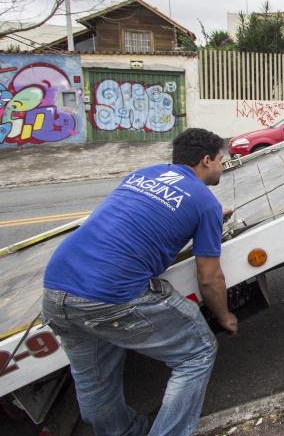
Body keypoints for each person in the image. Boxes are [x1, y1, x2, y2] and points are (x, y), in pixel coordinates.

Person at [41, 128, 238, 436]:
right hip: (109, 296)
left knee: (96, 383)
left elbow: (145, 214)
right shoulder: (205, 202)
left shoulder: (141, 175)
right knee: (197, 352)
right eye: (221, 160)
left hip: (56, 289)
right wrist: (225, 316)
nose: (222, 166)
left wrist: (209, 214)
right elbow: (209, 278)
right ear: (206, 160)